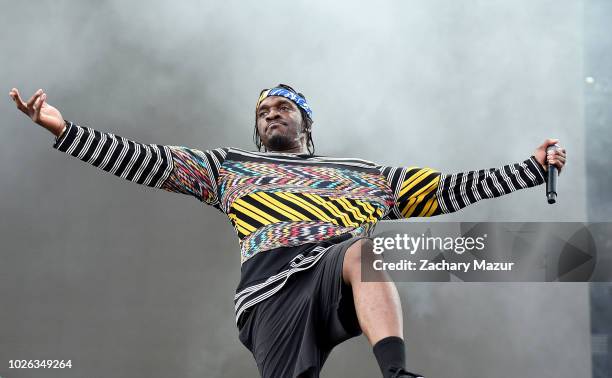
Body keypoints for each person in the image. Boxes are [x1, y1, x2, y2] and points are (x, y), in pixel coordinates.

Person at [9, 85, 567, 378]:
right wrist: (66, 130)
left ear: (306, 120)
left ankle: (396, 372)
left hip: (333, 270)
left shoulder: (363, 175)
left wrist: (529, 169)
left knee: (366, 252)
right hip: (267, 295)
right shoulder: (228, 168)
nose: (270, 115)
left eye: (282, 107)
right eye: (262, 112)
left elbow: (449, 189)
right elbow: (146, 160)